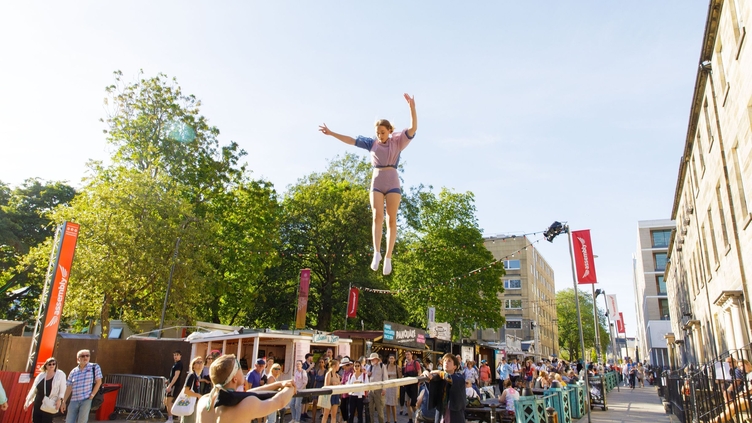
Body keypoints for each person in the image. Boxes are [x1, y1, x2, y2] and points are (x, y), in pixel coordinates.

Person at [318, 93, 417, 275]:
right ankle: (377, 253)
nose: (380, 135)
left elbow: (413, 128)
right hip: (377, 181)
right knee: (376, 216)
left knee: (391, 220)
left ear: (389, 130)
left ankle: (388, 257)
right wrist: (331, 133)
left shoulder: (398, 142)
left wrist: (412, 107)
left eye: (383, 132)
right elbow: (351, 140)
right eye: (377, 132)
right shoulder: (371, 143)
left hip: (393, 180)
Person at [195, 354, 295, 423]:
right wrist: (291, 388)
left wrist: (278, 384)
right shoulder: (247, 404)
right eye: (238, 367)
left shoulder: (204, 400)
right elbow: (279, 401)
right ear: (234, 379)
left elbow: (246, 393)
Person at [61, 349, 103, 423]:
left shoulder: (94, 367)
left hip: (86, 399)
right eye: (83, 356)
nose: (85, 357)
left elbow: (99, 382)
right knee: (69, 420)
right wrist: (64, 401)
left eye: (87, 355)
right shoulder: (73, 371)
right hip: (74, 400)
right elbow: (69, 387)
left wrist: (92, 396)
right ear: (78, 359)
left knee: (82, 421)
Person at [24, 357, 67, 423]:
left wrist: (60, 400)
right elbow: (34, 389)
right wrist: (27, 401)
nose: (52, 366)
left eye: (53, 364)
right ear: (46, 365)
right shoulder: (41, 375)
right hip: (38, 401)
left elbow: (63, 388)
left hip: (50, 401)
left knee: (46, 420)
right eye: (49, 364)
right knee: (36, 420)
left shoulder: (60, 374)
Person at [181, 356, 205, 423]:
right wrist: (197, 395)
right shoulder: (191, 375)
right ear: (193, 365)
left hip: (194, 403)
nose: (200, 364)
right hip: (190, 403)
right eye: (198, 362)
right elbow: (186, 391)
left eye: (201, 362)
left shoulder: (197, 377)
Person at [164, 350, 185, 423]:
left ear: (180, 356)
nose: (175, 356)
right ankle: (176, 415)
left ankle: (170, 419)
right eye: (174, 355)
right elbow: (172, 376)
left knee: (168, 401)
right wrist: (168, 381)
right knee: (167, 402)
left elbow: (176, 376)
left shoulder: (179, 364)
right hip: (172, 384)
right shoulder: (175, 364)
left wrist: (170, 385)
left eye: (177, 355)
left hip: (174, 385)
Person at [402, 352, 422, 423]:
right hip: (407, 385)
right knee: (407, 403)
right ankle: (410, 419)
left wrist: (418, 382)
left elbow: (419, 372)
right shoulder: (406, 364)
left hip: (414, 385)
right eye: (406, 355)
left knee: (413, 403)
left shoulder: (415, 363)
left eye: (408, 354)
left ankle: (419, 416)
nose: (407, 356)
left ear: (411, 355)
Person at [367, 353, 386, 423]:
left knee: (379, 410)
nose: (371, 360)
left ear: (376, 359)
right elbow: (367, 378)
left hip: (379, 390)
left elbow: (385, 378)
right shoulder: (370, 367)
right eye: (371, 359)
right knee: (370, 410)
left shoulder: (382, 366)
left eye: (372, 359)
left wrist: (384, 389)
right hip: (371, 390)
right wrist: (367, 375)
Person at [322, 359, 342, 423]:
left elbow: (339, 385)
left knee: (334, 415)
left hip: (336, 395)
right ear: (334, 366)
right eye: (338, 365)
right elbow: (326, 386)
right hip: (328, 395)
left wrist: (337, 384)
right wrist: (333, 384)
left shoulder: (337, 375)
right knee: (326, 414)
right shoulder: (328, 374)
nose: (339, 366)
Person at [384, 355, 401, 423]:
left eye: (392, 358)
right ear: (388, 359)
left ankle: (395, 420)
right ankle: (388, 420)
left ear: (394, 360)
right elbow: (384, 376)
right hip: (387, 385)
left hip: (394, 386)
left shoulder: (397, 367)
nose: (391, 359)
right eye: (390, 358)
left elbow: (399, 377)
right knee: (387, 404)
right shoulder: (386, 367)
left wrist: (400, 371)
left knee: (393, 404)